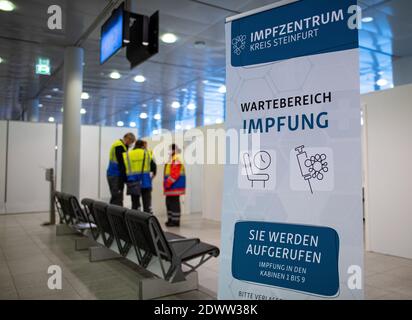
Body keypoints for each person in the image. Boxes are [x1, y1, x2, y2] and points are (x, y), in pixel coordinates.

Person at [123, 140, 153, 212]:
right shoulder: (147, 153)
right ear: (143, 146)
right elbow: (153, 167)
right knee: (147, 205)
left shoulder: (127, 154)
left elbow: (123, 168)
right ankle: (146, 221)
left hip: (133, 182)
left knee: (135, 205)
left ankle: (135, 221)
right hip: (145, 182)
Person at [107, 133, 136, 206]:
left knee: (116, 197)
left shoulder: (121, 145)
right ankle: (115, 216)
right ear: (127, 139)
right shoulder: (119, 146)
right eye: (131, 141)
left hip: (114, 174)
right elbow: (122, 163)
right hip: (115, 174)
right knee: (117, 198)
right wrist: (125, 178)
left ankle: (112, 215)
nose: (131, 144)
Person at [163, 143, 185, 227]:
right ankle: (170, 219)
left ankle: (175, 221)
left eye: (170, 149)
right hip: (171, 187)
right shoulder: (171, 159)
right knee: (169, 203)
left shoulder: (176, 159)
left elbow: (175, 174)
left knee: (174, 204)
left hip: (174, 186)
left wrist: (167, 184)